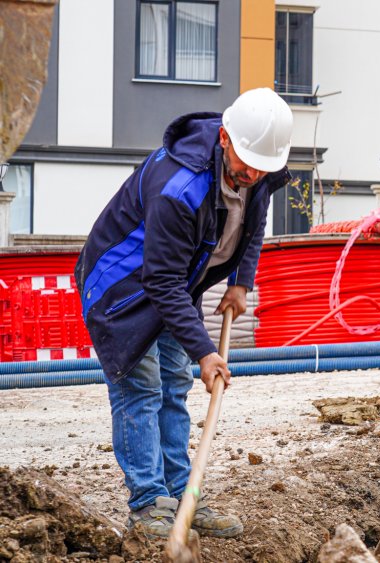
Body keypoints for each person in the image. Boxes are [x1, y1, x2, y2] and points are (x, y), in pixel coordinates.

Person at [75, 88, 294, 538]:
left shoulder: (257, 168)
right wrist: (205, 352)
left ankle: (182, 497)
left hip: (178, 280)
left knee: (174, 387)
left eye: (262, 168)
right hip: (122, 288)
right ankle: (148, 504)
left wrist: (241, 282)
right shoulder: (180, 187)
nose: (253, 175)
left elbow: (254, 224)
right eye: (247, 164)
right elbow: (159, 281)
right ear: (224, 138)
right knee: (141, 390)